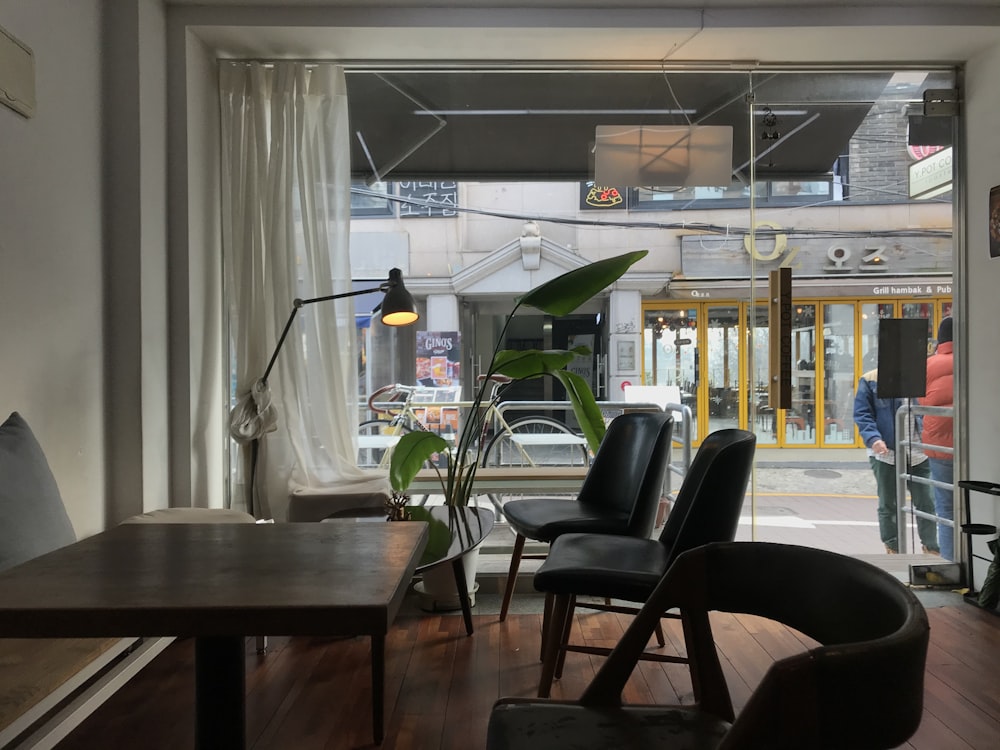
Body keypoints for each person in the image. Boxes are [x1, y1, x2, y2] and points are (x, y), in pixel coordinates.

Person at [854, 369, 939, 554]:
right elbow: (862, 414)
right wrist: (873, 438)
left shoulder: (921, 376)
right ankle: (893, 547)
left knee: (927, 501)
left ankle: (931, 548)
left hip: (918, 450)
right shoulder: (871, 379)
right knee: (888, 502)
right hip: (886, 452)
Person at [921, 316, 955, 559]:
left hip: (939, 445)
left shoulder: (928, 365)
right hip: (974, 446)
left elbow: (921, 401)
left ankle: (950, 562)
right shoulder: (976, 360)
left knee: (946, 510)